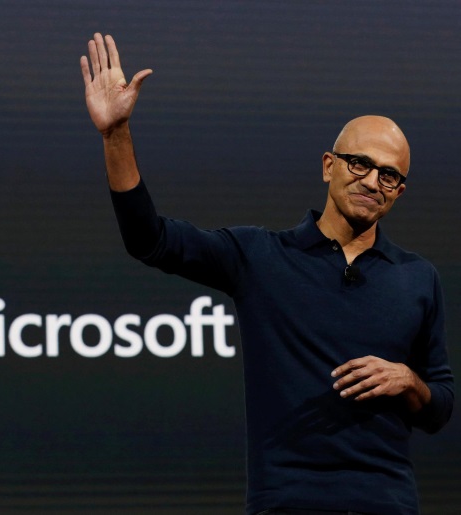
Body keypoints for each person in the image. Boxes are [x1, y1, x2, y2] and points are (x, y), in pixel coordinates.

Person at [80, 33, 454, 515]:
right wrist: (116, 135)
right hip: (287, 501)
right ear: (329, 166)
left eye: (389, 175)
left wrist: (410, 381)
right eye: (360, 163)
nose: (372, 181)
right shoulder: (260, 255)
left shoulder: (418, 278)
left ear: (399, 191)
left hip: (387, 502)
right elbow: (149, 239)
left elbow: (440, 406)